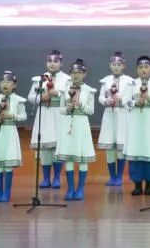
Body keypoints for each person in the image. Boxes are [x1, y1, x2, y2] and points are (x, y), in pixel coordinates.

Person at [27, 50, 71, 189]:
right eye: (49, 61)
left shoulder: (67, 79)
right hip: (44, 114)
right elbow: (31, 96)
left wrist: (57, 93)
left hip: (59, 114)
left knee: (57, 147)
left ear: (61, 63)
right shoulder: (40, 79)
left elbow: (70, 97)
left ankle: (57, 177)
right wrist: (41, 98)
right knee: (45, 148)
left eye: (55, 61)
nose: (52, 64)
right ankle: (46, 178)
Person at [124, 56, 150, 196]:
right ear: (137, 70)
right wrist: (134, 102)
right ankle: (137, 185)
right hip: (136, 122)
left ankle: (149, 184)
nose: (143, 70)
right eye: (141, 67)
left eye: (146, 67)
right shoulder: (131, 84)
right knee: (136, 153)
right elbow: (125, 101)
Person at [56, 60, 97, 201]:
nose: (76, 75)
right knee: (69, 157)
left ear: (84, 74)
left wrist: (80, 105)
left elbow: (91, 111)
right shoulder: (64, 90)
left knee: (82, 156)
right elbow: (61, 110)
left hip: (82, 124)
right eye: (73, 72)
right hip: (68, 124)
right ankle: (70, 189)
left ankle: (80, 189)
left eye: (79, 72)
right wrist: (66, 108)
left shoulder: (89, 90)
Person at [0, 70, 26, 202]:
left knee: (8, 163)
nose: (5, 84)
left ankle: (7, 193)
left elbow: (23, 116)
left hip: (10, 132)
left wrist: (12, 115)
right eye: (3, 82)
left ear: (14, 85)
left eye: (8, 82)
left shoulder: (18, 100)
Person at [96, 52, 132, 187]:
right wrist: (106, 101)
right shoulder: (105, 81)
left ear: (124, 65)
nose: (116, 67)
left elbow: (130, 98)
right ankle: (112, 176)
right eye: (114, 64)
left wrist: (121, 100)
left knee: (121, 147)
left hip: (122, 115)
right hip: (109, 116)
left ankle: (119, 176)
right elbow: (100, 97)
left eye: (119, 64)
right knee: (110, 147)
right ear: (110, 65)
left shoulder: (129, 81)